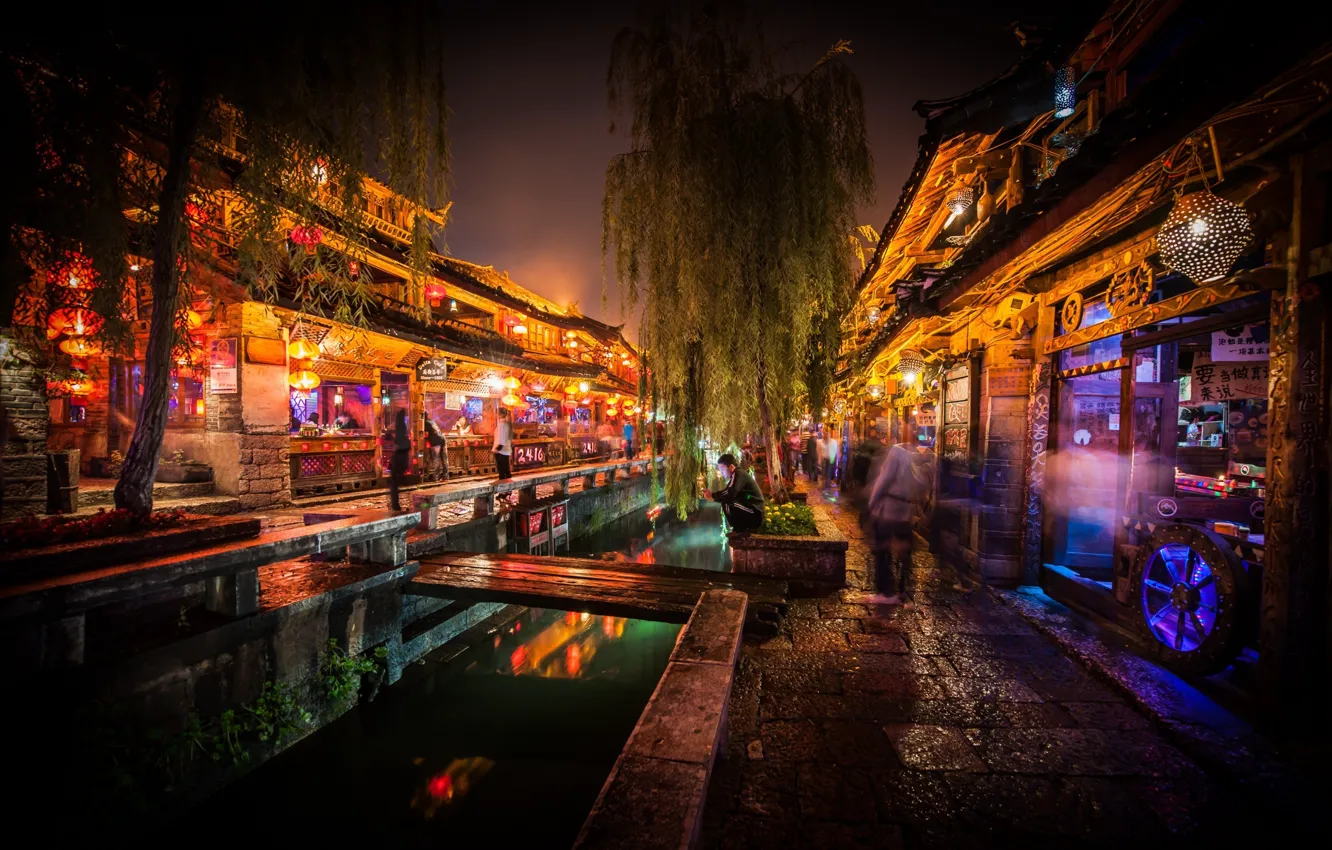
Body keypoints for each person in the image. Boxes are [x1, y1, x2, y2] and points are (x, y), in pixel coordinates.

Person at [864, 441, 923, 606]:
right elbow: (919, 483)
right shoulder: (911, 456)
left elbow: (884, 480)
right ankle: (905, 592)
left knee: (882, 549)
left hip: (888, 510)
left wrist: (871, 503)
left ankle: (886, 592)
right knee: (904, 552)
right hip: (904, 512)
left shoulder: (894, 453)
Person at [703, 452, 765, 533]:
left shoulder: (738, 474)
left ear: (731, 466)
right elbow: (729, 494)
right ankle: (739, 529)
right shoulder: (737, 475)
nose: (721, 472)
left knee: (727, 502)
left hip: (755, 513)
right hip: (753, 512)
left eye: (722, 469)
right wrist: (713, 497)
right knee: (727, 500)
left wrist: (713, 495)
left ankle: (739, 529)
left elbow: (730, 493)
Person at [388, 408, 411, 511]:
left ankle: (395, 504)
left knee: (394, 484)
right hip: (403, 459)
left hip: (398, 459)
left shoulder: (398, 428)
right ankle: (395, 504)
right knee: (396, 483)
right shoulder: (404, 429)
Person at [423, 412, 447, 481]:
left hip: (435, 441)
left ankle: (436, 477)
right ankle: (446, 476)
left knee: (436, 459)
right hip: (443, 439)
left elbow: (426, 435)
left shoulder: (425, 423)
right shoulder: (431, 421)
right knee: (444, 459)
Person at [493, 407, 513, 480]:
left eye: (497, 414)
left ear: (500, 414)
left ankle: (505, 488)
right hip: (504, 449)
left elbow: (502, 438)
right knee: (505, 469)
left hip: (501, 449)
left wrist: (498, 448)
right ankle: (508, 489)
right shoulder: (507, 423)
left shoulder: (503, 424)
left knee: (502, 470)